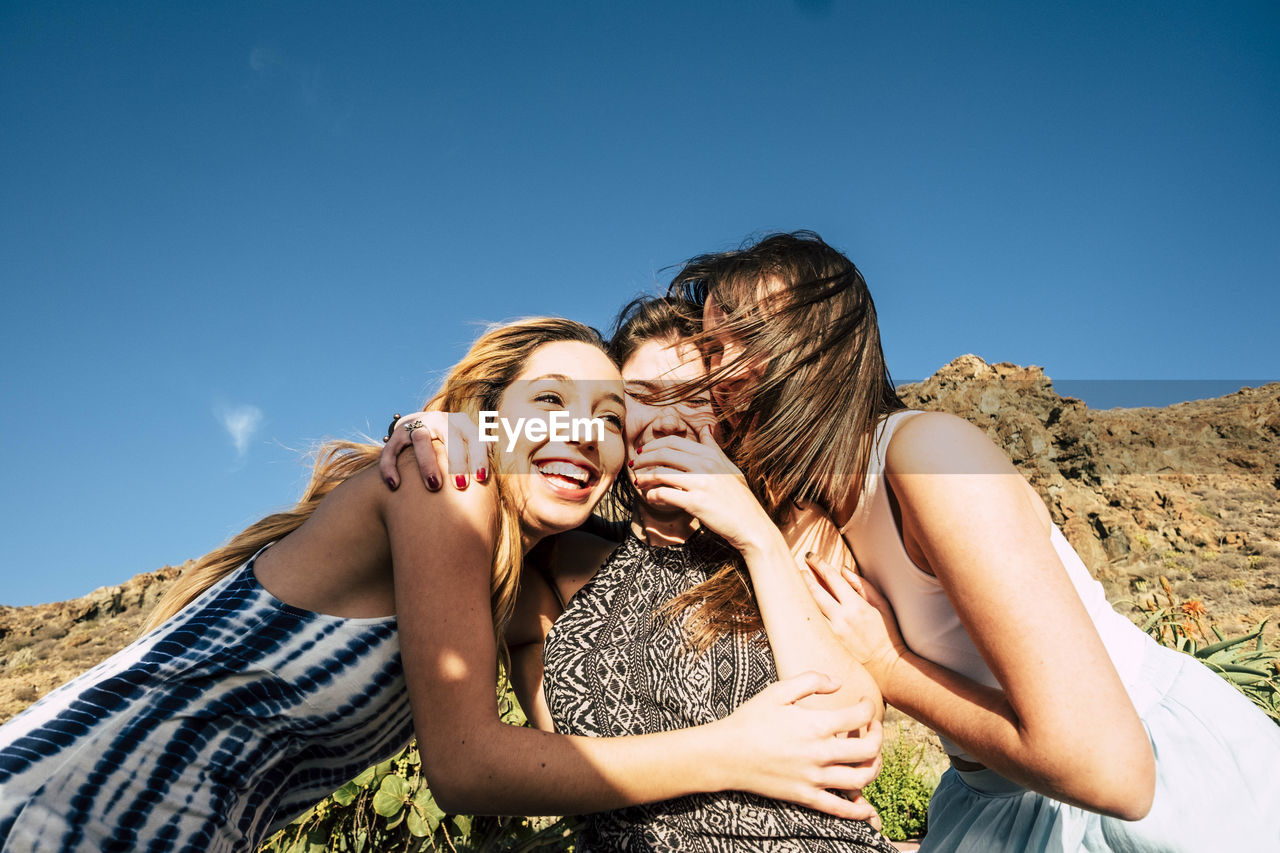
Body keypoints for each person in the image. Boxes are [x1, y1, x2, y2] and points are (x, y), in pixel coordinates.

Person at [0, 318, 881, 853]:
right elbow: (463, 764)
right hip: (78, 800)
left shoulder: (510, 565)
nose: (581, 432)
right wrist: (736, 749)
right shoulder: (450, 475)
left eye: (609, 418)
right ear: (488, 413)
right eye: (549, 403)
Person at [665, 231, 1280, 852]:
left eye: (746, 340)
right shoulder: (806, 508)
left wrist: (889, 666)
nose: (717, 372)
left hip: (1150, 802)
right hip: (994, 801)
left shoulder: (928, 455)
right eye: (712, 348)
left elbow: (1111, 774)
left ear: (826, 348)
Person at [510, 297, 896, 852]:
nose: (665, 419)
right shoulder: (559, 560)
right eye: (639, 399)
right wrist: (439, 429)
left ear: (728, 411)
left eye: (692, 396)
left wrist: (754, 535)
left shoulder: (796, 534)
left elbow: (850, 736)